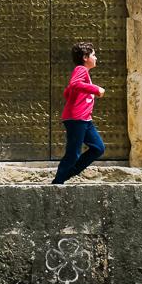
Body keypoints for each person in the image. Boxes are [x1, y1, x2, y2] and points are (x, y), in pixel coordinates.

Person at [51, 42, 106, 185]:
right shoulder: (81, 69)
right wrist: (96, 89)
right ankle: (58, 181)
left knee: (98, 148)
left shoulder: (84, 72)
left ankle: (67, 174)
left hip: (84, 119)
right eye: (93, 55)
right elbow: (74, 84)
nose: (96, 58)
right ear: (85, 57)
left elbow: (68, 91)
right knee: (73, 153)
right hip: (76, 119)